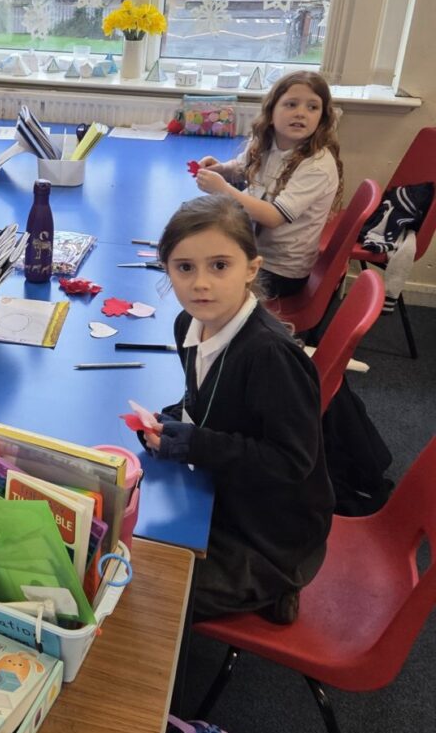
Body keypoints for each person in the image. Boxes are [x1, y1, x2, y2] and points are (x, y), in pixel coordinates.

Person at [140, 195, 334, 624]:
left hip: (269, 532)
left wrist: (196, 445)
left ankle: (280, 584)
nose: (201, 283)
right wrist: (169, 421)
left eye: (219, 266)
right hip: (223, 489)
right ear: (167, 270)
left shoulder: (270, 356)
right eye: (184, 267)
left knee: (145, 590)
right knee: (126, 547)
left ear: (251, 268)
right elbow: (210, 401)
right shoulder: (188, 324)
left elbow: (291, 461)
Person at [194, 70, 343, 298]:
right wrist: (222, 169)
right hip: (253, 250)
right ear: (271, 111)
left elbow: (273, 217)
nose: (301, 113)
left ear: (322, 119)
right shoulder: (266, 141)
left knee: (203, 276)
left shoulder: (317, 166)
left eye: (312, 107)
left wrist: (223, 189)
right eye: (291, 104)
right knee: (196, 253)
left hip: (280, 271)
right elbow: (243, 167)